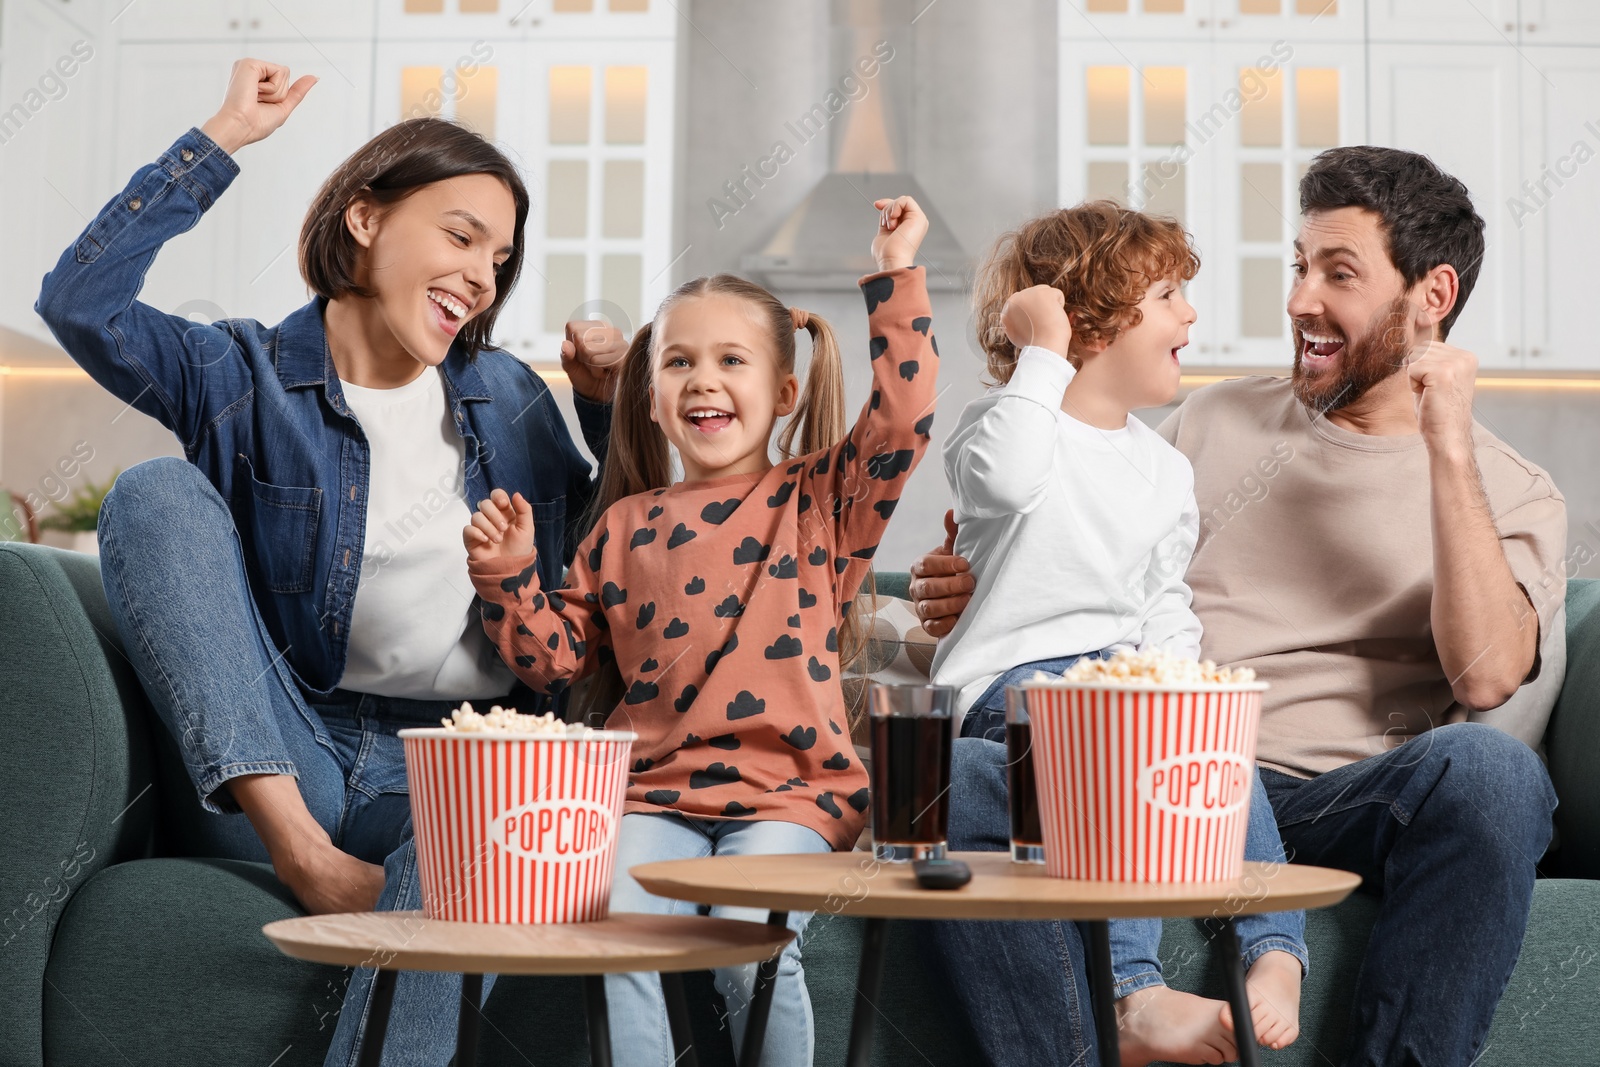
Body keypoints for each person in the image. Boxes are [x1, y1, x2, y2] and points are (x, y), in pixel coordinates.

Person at [909, 146, 1566, 1067]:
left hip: (1336, 800)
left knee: (1493, 774)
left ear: (1432, 295)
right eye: (1298, 267)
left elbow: (1490, 672)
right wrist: (975, 583)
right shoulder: (1207, 425)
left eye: (1338, 274)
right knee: (968, 772)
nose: (1300, 301)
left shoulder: (1512, 488)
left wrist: (1445, 447)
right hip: (1138, 770)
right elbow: (1072, 534)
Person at [34, 59, 624, 1065]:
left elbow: (627, 556)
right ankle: (306, 858)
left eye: (501, 257)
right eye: (460, 234)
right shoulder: (241, 372)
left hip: (450, 765)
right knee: (155, 492)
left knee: (468, 830)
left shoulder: (512, 396)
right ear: (364, 218)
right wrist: (221, 136)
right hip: (280, 757)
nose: (483, 273)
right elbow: (81, 301)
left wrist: (609, 404)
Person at [463, 196, 939, 1066]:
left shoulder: (822, 505)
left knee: (748, 938)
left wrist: (895, 271)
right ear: (650, 398)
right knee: (613, 929)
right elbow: (553, 660)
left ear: (785, 392)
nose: (703, 380)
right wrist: (507, 576)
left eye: (730, 360)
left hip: (793, 794)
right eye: (679, 362)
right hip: (651, 794)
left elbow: (903, 421)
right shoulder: (621, 526)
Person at [933, 202, 1306, 1065]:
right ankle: (1133, 989)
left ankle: (1275, 948)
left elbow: (1162, 600)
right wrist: (1040, 352)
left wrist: (1180, 690)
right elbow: (1009, 480)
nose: (1191, 314)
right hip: (1014, 694)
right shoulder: (1003, 425)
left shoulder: (1163, 468)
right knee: (1073, 746)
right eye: (1169, 294)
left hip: (1121, 685)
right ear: (1092, 318)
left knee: (1216, 743)